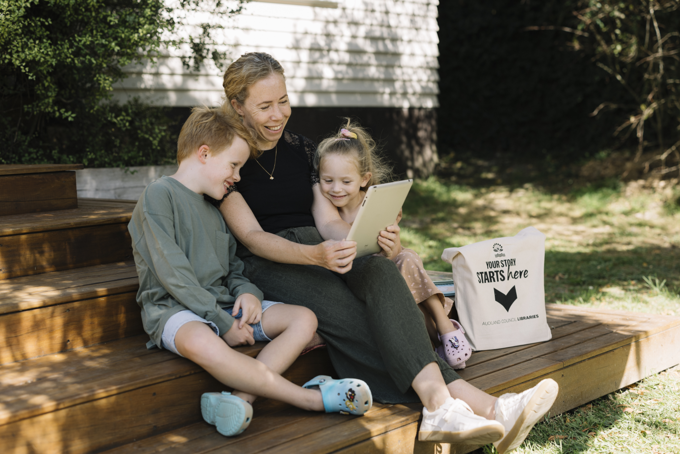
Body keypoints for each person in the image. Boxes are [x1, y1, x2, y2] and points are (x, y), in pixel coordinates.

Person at [218, 52, 558, 453]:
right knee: (349, 312)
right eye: (264, 106)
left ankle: (456, 408)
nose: (278, 115)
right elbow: (253, 237)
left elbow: (325, 220)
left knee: (382, 271)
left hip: (321, 245)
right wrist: (315, 256)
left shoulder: (299, 148)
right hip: (271, 262)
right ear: (238, 106)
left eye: (284, 101)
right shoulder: (229, 153)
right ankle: (475, 405)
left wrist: (358, 239)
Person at [127, 106, 373, 439]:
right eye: (234, 165)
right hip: (172, 309)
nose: (238, 176)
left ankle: (241, 399)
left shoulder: (214, 208)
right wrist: (223, 322)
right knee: (203, 342)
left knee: (304, 319)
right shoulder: (159, 195)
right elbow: (174, 275)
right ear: (204, 153)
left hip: (224, 304)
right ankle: (312, 399)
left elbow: (233, 267)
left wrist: (248, 293)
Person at [314, 120, 471, 369]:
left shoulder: (374, 202)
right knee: (407, 278)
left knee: (407, 256)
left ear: (364, 179)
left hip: (389, 266)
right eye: (327, 180)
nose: (335, 189)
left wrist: (391, 246)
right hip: (358, 275)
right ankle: (444, 336)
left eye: (345, 181)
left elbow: (394, 251)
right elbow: (331, 229)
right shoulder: (325, 202)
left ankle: (443, 325)